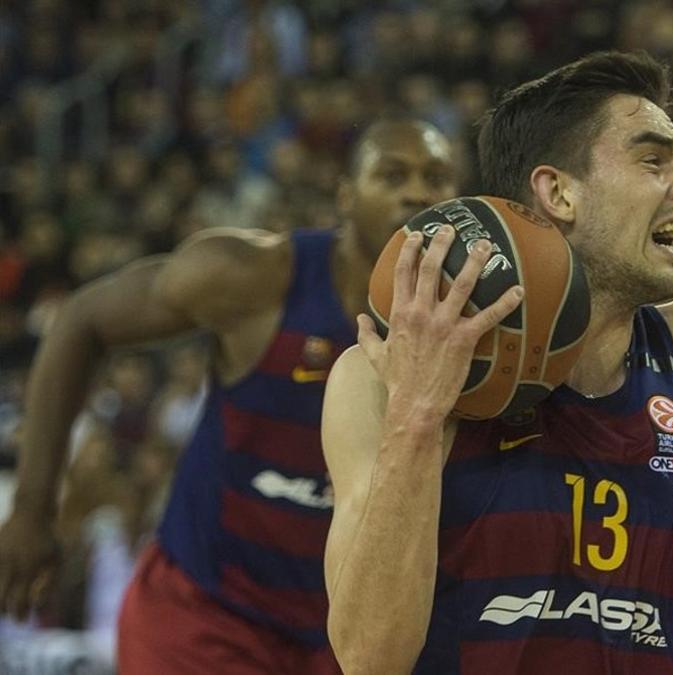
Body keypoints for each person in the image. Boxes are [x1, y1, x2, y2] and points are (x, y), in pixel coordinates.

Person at [320, 51, 673, 675]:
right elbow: (368, 658)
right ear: (559, 192)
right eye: (654, 160)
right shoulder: (380, 378)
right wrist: (417, 415)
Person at [0, 118, 459, 673]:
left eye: (437, 177)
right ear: (344, 194)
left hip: (346, 637)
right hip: (204, 615)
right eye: (392, 174)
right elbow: (80, 322)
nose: (417, 192)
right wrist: (32, 507)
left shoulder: (482, 328)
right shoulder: (257, 277)